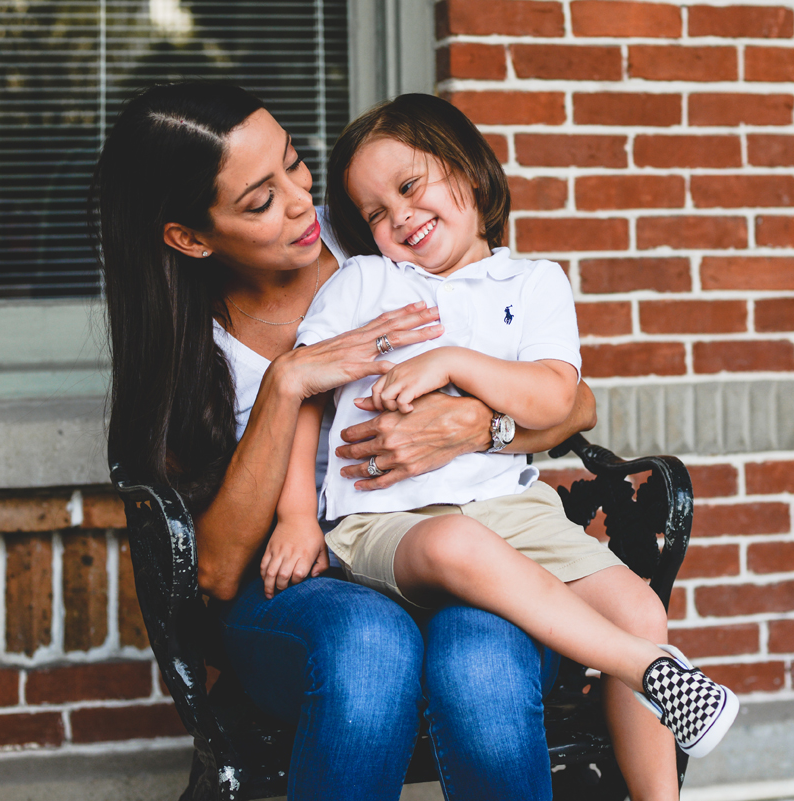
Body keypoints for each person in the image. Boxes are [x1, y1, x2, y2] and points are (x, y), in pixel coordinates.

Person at [93, 81, 601, 800]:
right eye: (259, 200)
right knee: (369, 641)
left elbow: (576, 404)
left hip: (451, 541)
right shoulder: (188, 344)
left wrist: (479, 427)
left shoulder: (377, 227)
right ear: (191, 236)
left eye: (293, 164)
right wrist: (288, 380)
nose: (301, 201)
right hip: (303, 587)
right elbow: (216, 570)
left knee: (483, 656)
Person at [265, 94, 738, 796]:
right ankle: (650, 669)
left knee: (640, 610)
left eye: (409, 185)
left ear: (472, 175)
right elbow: (306, 395)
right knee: (458, 543)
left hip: (510, 511)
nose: (398, 217)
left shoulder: (535, 282)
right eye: (374, 212)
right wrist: (298, 515)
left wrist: (454, 362)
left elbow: (554, 398)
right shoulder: (366, 282)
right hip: (387, 523)